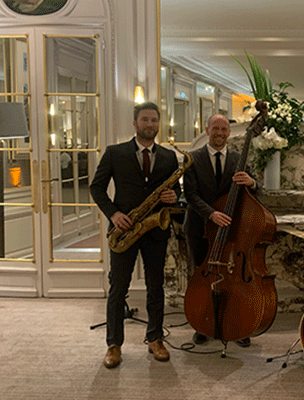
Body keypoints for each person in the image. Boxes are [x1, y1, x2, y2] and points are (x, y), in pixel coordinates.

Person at [90, 102, 181, 369]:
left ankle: (155, 338)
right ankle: (113, 344)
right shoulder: (114, 152)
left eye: (154, 120)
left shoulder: (168, 156)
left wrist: (174, 195)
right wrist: (114, 214)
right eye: (145, 120)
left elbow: (176, 192)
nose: (150, 125)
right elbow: (96, 188)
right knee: (118, 288)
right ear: (135, 123)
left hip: (155, 230)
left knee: (156, 287)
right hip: (124, 229)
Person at [182, 114, 257, 347]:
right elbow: (190, 194)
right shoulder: (192, 158)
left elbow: (257, 189)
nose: (220, 133)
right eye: (215, 128)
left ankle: (236, 325)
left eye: (224, 129)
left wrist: (252, 182)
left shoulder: (238, 159)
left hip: (229, 229)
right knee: (201, 278)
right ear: (207, 130)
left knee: (231, 279)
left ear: (229, 133)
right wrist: (211, 214)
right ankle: (202, 325)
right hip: (199, 227)